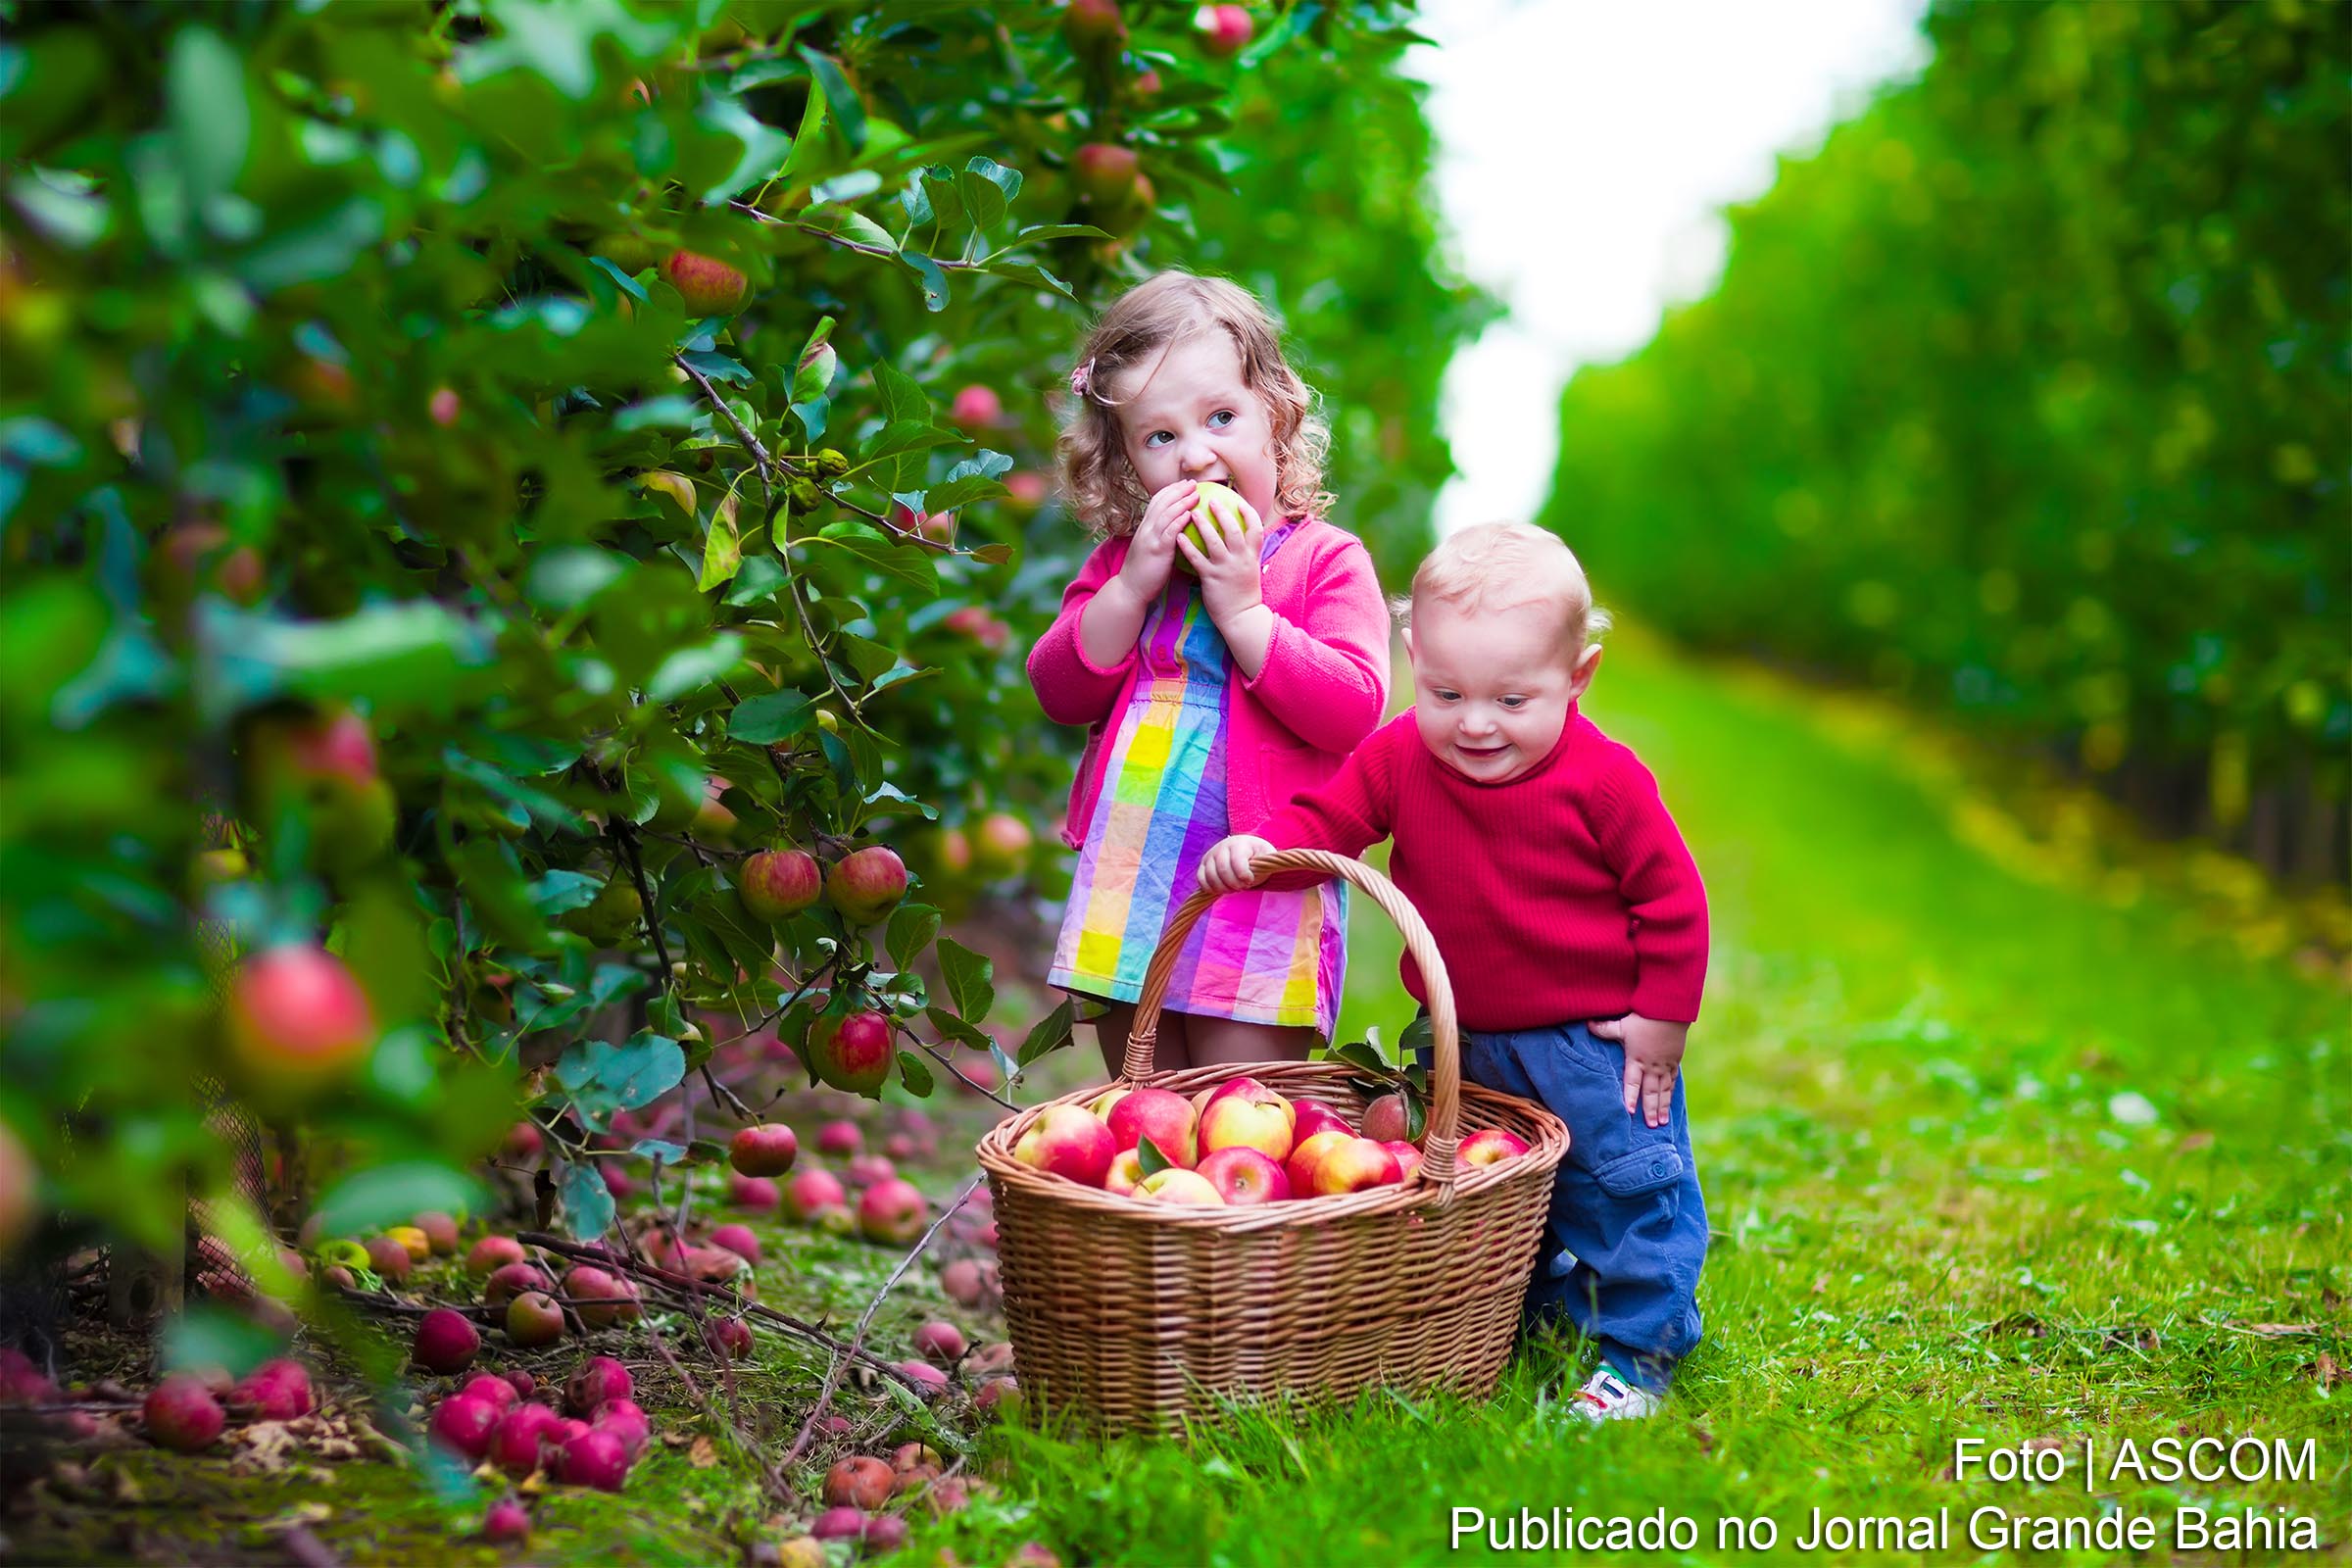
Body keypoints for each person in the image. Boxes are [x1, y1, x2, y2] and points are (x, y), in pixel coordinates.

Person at [1197, 521, 1708, 1421]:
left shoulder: (1606, 782)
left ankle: (1639, 1351)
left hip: (1587, 1043)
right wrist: (1267, 849)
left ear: (1577, 678)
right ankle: (1519, 1315)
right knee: (1487, 1192)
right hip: (1456, 1036)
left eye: (1513, 701)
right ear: (1413, 658)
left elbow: (1673, 901)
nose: (1474, 724)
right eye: (1446, 692)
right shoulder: (1399, 755)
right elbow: (1332, 819)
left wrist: (1661, 1020)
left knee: (1626, 1187)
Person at [1028, 271, 1391, 1076]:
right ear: (1123, 463)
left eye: (1220, 418)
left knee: (1240, 1104)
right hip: (1131, 873)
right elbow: (1059, 687)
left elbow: (1353, 709)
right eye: (1159, 438)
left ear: (1276, 416)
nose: (1196, 456)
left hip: (1260, 877)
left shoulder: (1321, 561)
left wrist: (1246, 615)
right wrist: (1130, 587)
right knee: (1142, 1099)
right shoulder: (1126, 567)